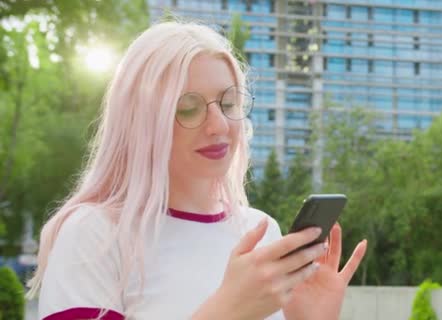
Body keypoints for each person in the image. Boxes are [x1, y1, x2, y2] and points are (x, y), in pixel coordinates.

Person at [27, 22, 367, 320]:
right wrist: (226, 311)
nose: (219, 125)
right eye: (188, 109)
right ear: (141, 123)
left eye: (229, 103)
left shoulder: (261, 232)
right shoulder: (94, 236)